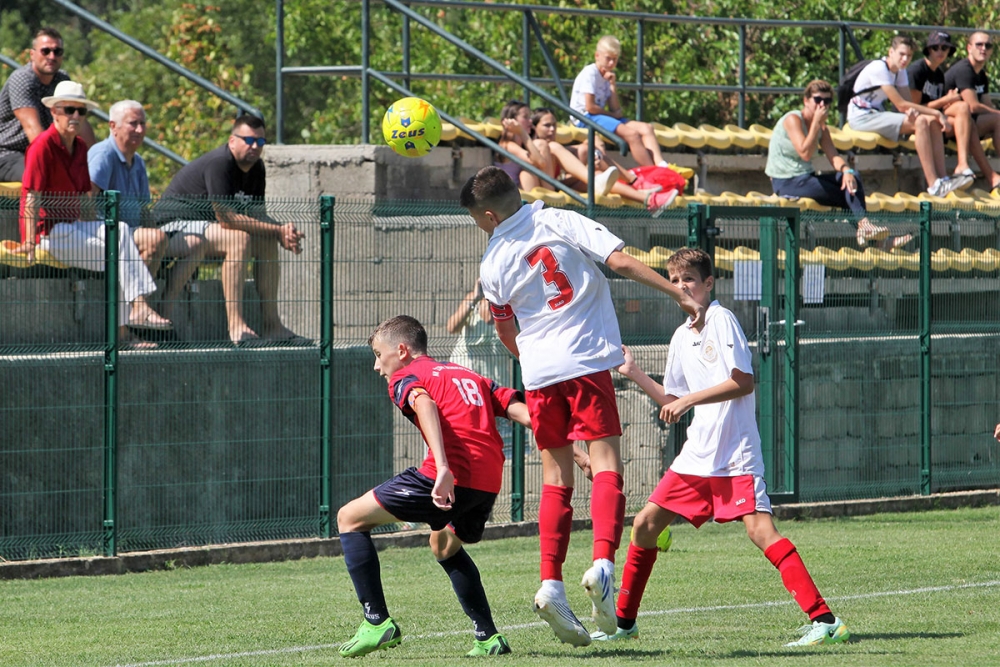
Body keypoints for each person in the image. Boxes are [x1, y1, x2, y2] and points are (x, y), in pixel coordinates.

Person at [461, 165, 704, 647]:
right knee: (607, 463)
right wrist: (677, 291)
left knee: (556, 480)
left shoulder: (492, 261)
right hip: (588, 362)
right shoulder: (559, 220)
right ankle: (602, 566)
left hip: (541, 374)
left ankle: (551, 583)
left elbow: (505, 330)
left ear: (488, 215)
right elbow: (621, 262)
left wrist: (532, 359)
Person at [598, 247, 850, 647]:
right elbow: (672, 400)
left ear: (709, 283)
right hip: (697, 457)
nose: (682, 287)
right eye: (676, 281)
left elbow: (743, 381)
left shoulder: (722, 319)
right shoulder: (680, 336)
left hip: (735, 455)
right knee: (645, 525)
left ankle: (826, 621)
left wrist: (688, 401)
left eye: (690, 280)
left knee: (760, 531)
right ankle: (625, 624)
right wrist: (633, 372)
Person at [336, 315, 531, 658]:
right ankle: (487, 638)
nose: (376, 366)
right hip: (487, 481)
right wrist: (576, 452)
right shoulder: (468, 374)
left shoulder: (406, 376)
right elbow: (523, 411)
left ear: (401, 350)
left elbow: (423, 402)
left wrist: (442, 467)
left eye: (379, 355)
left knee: (349, 518)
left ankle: (377, 622)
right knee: (443, 543)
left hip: (447, 476)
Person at [12, 81, 169, 343]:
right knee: (121, 249)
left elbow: (86, 200)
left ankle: (132, 318)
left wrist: (93, 227)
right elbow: (31, 197)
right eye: (69, 110)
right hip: (51, 234)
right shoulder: (42, 146)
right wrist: (29, 241)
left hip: (74, 228)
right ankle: (130, 322)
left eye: (81, 112)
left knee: (117, 232)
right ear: (54, 112)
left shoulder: (82, 147)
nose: (75, 116)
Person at [158, 114, 305, 345]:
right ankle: (237, 328)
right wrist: (275, 230)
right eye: (248, 140)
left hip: (210, 232)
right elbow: (226, 218)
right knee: (238, 239)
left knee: (265, 242)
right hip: (174, 229)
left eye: (260, 142)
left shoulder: (257, 168)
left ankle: (272, 325)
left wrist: (281, 231)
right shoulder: (220, 163)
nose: (255, 146)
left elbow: (256, 214)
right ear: (232, 140)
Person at [88, 100, 208, 321]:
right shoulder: (103, 154)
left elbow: (144, 211)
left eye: (143, 124)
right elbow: (86, 199)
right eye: (133, 124)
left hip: (135, 234)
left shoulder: (139, 162)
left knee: (197, 243)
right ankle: (133, 312)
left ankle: (165, 311)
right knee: (154, 240)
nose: (140, 130)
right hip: (107, 234)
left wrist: (159, 236)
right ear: (113, 126)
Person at [767, 80, 911, 249]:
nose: (822, 105)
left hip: (805, 178)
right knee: (847, 195)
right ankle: (873, 235)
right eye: (818, 100)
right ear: (806, 101)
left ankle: (867, 231)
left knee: (852, 178)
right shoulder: (793, 119)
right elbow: (805, 153)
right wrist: (815, 123)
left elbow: (834, 157)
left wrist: (846, 171)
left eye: (827, 101)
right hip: (786, 182)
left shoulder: (821, 128)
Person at [847, 35, 971, 196]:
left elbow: (908, 103)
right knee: (921, 122)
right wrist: (936, 112)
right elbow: (901, 104)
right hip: (861, 117)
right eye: (901, 54)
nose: (905, 59)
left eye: (909, 56)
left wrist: (927, 115)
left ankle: (943, 178)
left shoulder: (900, 72)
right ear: (891, 52)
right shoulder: (879, 68)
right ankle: (934, 185)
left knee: (931, 121)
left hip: (876, 114)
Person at [530, 107, 677, 215]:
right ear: (533, 127)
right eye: (546, 126)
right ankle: (635, 183)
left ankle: (648, 199)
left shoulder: (554, 148)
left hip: (558, 185)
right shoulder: (536, 145)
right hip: (543, 193)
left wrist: (596, 146)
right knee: (594, 174)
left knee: (598, 170)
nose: (552, 130)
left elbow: (588, 146)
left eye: (554, 125)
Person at [0, 27, 96, 182]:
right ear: (32, 54)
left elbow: (78, 121)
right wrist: (60, 163)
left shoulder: (62, 79)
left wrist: (94, 158)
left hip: (43, 152)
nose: (52, 56)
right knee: (45, 175)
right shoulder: (22, 79)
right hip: (8, 154)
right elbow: (34, 132)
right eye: (45, 51)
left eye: (57, 52)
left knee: (91, 176)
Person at [908, 31, 1000, 191]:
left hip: (943, 120)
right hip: (919, 122)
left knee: (972, 119)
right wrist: (946, 100)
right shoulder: (919, 70)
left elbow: (986, 106)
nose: (940, 52)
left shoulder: (939, 74)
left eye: (945, 48)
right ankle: (962, 169)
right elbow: (913, 107)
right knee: (965, 110)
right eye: (936, 48)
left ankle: (976, 172)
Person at [569, 35, 667, 168]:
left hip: (599, 116)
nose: (611, 63)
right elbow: (590, 107)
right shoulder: (590, 73)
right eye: (608, 59)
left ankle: (661, 164)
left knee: (647, 128)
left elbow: (615, 109)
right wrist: (614, 116)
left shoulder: (607, 76)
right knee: (632, 135)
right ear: (597, 56)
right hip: (584, 117)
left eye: (614, 60)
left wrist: (612, 85)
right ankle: (651, 171)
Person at [945, 31, 1000, 173]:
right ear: (969, 48)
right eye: (979, 45)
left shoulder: (981, 75)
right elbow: (973, 106)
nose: (983, 49)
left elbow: (987, 106)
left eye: (987, 46)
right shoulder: (964, 70)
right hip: (947, 124)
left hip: (969, 122)